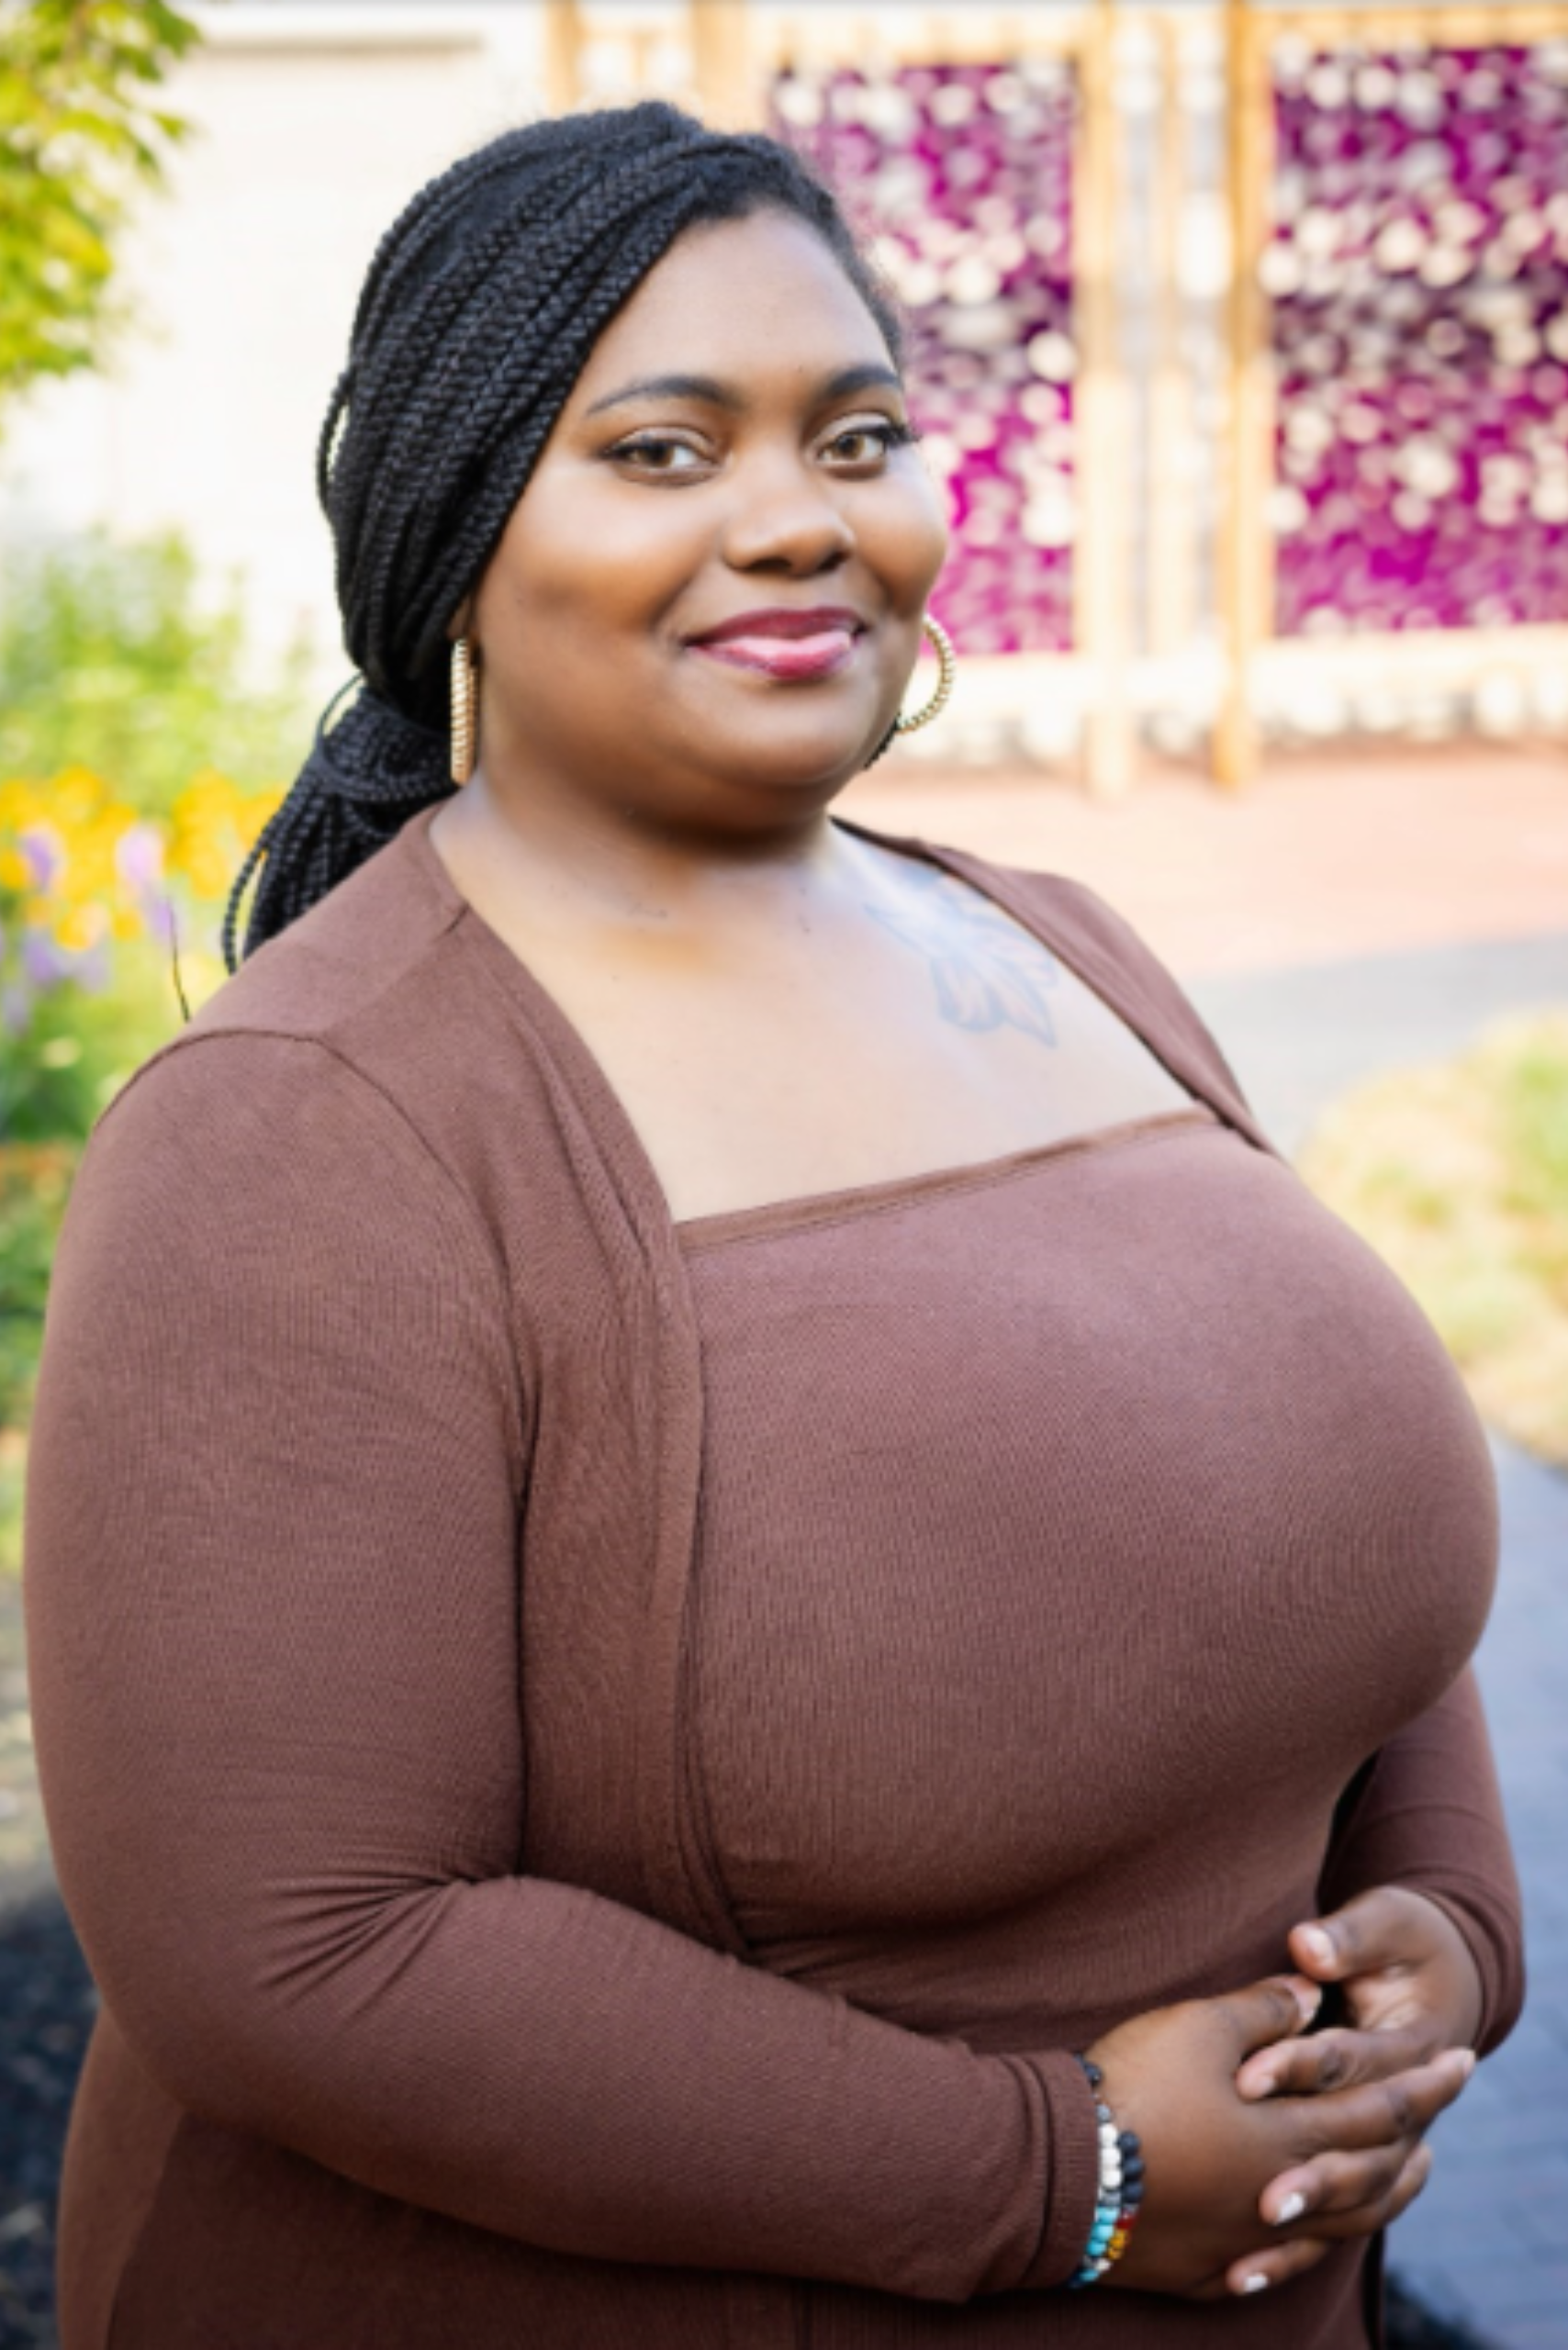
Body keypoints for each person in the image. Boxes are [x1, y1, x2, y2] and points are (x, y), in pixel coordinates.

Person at [24, 100, 1521, 2350]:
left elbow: (1322, 1546)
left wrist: (1443, 1924)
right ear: (453, 530)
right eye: (659, 450)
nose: (793, 520)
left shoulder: (1071, 944)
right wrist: (1073, 2176)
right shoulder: (311, 1128)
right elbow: (302, 1952)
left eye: (855, 433)